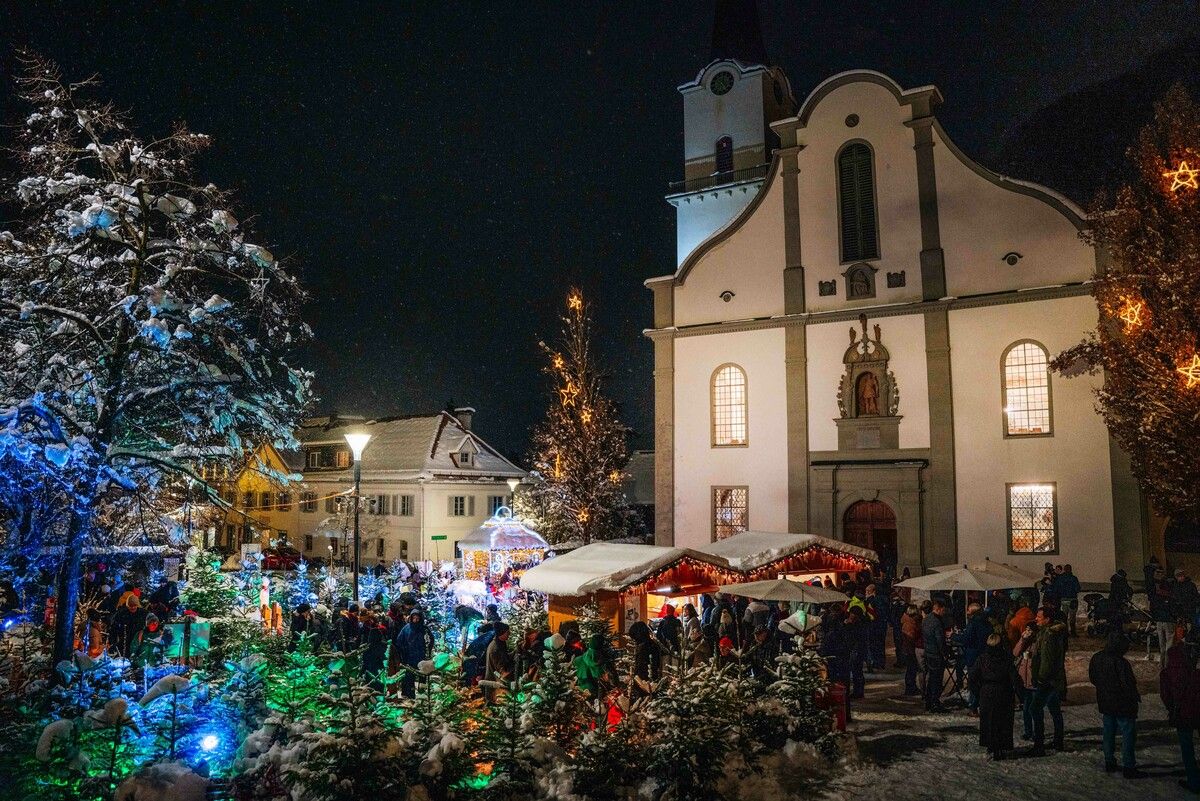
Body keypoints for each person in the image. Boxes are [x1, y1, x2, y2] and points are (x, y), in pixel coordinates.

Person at [1089, 632, 1142, 778]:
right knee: (1128, 734)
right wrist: (1133, 698)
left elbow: (1093, 678)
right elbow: (1128, 685)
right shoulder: (1121, 662)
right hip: (1122, 703)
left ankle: (1109, 761)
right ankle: (1129, 766)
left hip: (1106, 701)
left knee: (1108, 732)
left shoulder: (1097, 657)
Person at [969, 633, 1019, 761]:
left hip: (987, 692)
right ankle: (1002, 747)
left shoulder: (983, 658)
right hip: (1004, 692)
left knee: (989, 721)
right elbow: (1014, 677)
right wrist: (1019, 692)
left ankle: (991, 747)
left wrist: (977, 691)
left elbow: (972, 677)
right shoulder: (1006, 658)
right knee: (1003, 721)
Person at [1161, 642, 1200, 793]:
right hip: (1197, 712)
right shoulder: (1195, 674)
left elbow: (1166, 696)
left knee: (1187, 749)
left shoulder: (1167, 674)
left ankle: (1194, 781)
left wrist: (1172, 708)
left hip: (1182, 715)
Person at [1029, 606, 1067, 755]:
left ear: (1047, 619)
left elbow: (1047, 660)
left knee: (1035, 708)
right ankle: (1058, 741)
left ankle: (1039, 745)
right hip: (1053, 679)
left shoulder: (1049, 636)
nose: (1036, 619)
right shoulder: (1046, 632)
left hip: (1047, 680)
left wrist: (1041, 678)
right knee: (1054, 708)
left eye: (1039, 617)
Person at [956, 602, 992, 715]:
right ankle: (981, 705)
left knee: (974, 682)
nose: (966, 612)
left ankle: (973, 706)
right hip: (984, 654)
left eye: (968, 610)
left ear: (972, 612)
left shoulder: (974, 623)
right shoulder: (986, 623)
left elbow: (967, 639)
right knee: (981, 681)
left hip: (973, 655)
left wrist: (954, 636)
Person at [394, 610, 431, 698]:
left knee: (422, 675)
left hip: (421, 657)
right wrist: (403, 650)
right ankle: (408, 694)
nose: (415, 620)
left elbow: (430, 640)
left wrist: (427, 650)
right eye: (414, 618)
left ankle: (423, 696)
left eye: (417, 618)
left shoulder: (424, 629)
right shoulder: (407, 628)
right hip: (409, 657)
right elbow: (399, 641)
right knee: (408, 676)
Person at [922, 598, 949, 713]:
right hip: (936, 654)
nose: (945, 612)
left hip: (928, 652)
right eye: (943, 610)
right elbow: (940, 641)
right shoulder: (937, 622)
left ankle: (929, 701)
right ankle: (934, 703)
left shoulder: (926, 619)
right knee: (936, 680)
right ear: (938, 609)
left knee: (931, 678)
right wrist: (945, 653)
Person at [1014, 622, 1039, 742]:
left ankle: (1037, 733)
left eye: (1030, 630)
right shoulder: (1025, 641)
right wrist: (1022, 639)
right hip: (1024, 679)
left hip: (1033, 678)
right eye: (1026, 629)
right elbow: (1015, 652)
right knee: (1026, 708)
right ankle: (1028, 731)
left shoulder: (1038, 642)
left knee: (1034, 708)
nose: (1027, 631)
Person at [628, 621, 662, 699]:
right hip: (647, 679)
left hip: (645, 681)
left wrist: (637, 679)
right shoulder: (651, 644)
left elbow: (642, 665)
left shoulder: (645, 647)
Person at [484, 622, 514, 704]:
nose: (509, 634)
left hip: (497, 683)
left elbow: (505, 657)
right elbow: (501, 670)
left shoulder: (500, 643)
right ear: (502, 633)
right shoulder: (496, 648)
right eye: (507, 632)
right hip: (496, 686)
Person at [1149, 566, 1174, 663]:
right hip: (1168, 618)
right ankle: (1167, 663)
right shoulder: (1167, 585)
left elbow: (1152, 604)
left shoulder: (1152, 585)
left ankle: (1162, 663)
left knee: (1162, 643)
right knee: (1169, 643)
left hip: (1159, 618)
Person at [574, 634, 612, 699]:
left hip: (579, 693)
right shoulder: (601, 662)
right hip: (596, 695)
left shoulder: (577, 660)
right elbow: (604, 680)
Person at [844, 606, 868, 700]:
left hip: (856, 650)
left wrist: (848, 625)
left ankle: (858, 692)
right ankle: (858, 691)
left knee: (856, 671)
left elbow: (852, 636)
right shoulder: (861, 623)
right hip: (857, 650)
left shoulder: (858, 625)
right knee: (857, 671)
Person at [361, 611, 389, 691]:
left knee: (373, 677)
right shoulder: (366, 629)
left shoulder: (378, 630)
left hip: (374, 659)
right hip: (373, 660)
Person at [462, 622, 495, 687]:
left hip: (473, 668)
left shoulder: (477, 641)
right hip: (480, 669)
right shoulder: (492, 635)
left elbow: (466, 655)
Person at [865, 584, 889, 671]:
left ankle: (876, 662)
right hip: (882, 625)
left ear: (873, 591)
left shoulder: (871, 600)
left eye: (868, 591)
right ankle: (881, 662)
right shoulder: (884, 599)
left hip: (874, 626)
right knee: (881, 644)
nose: (866, 593)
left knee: (874, 645)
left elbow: (870, 615)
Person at [899, 603, 921, 696]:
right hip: (910, 650)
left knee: (911, 669)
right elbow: (911, 637)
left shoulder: (908, 621)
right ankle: (910, 688)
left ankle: (911, 687)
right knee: (911, 669)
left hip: (908, 649)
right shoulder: (910, 623)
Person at [1054, 565, 1081, 637]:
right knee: (1072, 617)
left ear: (1064, 570)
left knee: (1064, 617)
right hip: (1072, 599)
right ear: (1071, 570)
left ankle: (1065, 632)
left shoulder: (1060, 578)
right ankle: (1073, 632)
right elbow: (1078, 589)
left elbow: (1056, 589)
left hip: (1063, 599)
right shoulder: (1074, 578)